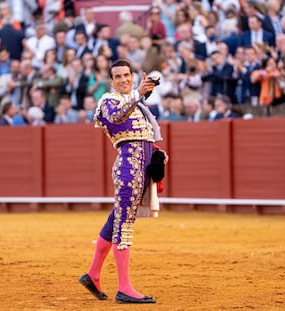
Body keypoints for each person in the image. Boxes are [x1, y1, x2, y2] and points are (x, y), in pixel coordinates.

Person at [79, 59, 167, 304]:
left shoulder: (136, 105)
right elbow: (117, 117)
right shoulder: (108, 100)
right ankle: (125, 288)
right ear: (111, 81)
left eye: (127, 75)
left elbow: (143, 136)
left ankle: (93, 274)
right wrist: (138, 93)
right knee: (124, 227)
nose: (124, 80)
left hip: (138, 168)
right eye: (118, 76)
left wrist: (158, 152)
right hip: (129, 169)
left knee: (114, 221)